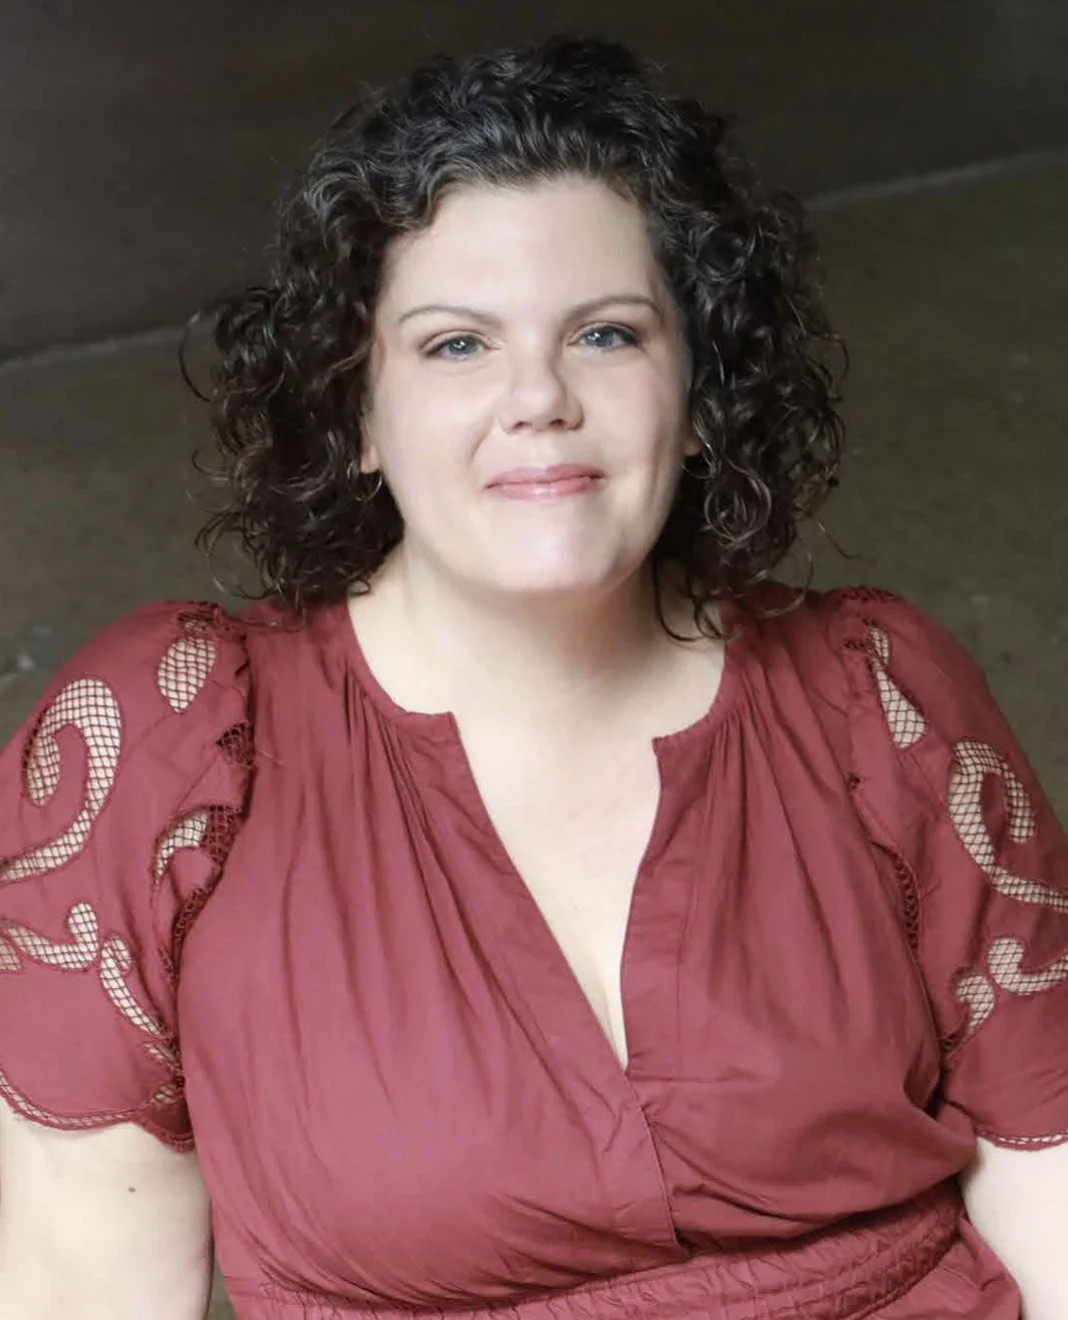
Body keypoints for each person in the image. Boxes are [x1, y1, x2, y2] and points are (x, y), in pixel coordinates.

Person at [0, 34, 1065, 1320]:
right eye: (456, 346)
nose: (540, 399)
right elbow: (80, 1276)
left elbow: (1047, 1177)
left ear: (698, 380)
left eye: (606, 334)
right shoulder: (166, 742)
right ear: (355, 412)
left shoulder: (875, 697)